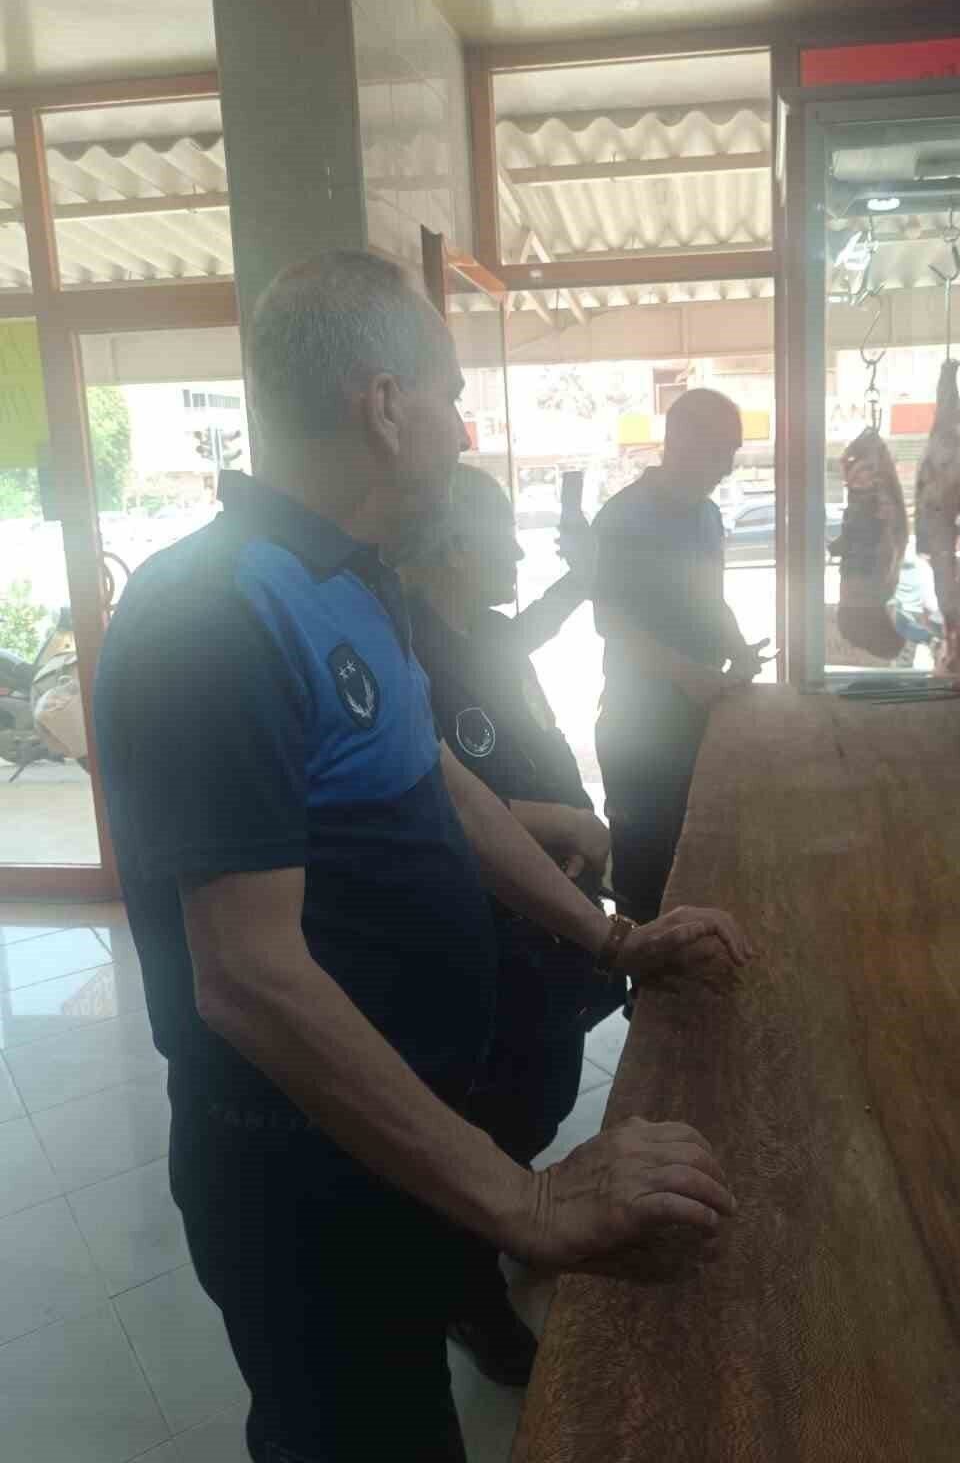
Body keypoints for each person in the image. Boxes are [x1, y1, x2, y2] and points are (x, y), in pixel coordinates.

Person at [93, 252, 753, 1463]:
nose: (464, 426)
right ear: (387, 408)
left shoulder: (346, 582)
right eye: (452, 394)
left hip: (402, 1137)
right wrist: (525, 1197)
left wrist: (613, 936)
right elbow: (246, 977)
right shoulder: (211, 615)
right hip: (302, 1171)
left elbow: (441, 784)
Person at [404, 462, 624, 1385]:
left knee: (545, 1087)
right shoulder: (408, 651)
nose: (519, 553)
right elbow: (439, 796)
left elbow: (529, 629)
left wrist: (583, 579)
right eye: (507, 535)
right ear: (457, 547)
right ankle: (465, 1288)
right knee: (495, 1105)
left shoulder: (484, 630)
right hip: (481, 927)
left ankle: (509, 1213)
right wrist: (558, 823)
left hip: (547, 908)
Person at [592, 389, 769, 923]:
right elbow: (609, 621)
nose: (729, 466)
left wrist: (737, 647)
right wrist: (687, 674)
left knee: (704, 863)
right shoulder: (623, 517)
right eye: (722, 450)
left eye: (734, 451)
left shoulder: (707, 515)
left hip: (700, 719)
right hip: (639, 730)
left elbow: (711, 600)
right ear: (681, 442)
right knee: (647, 879)